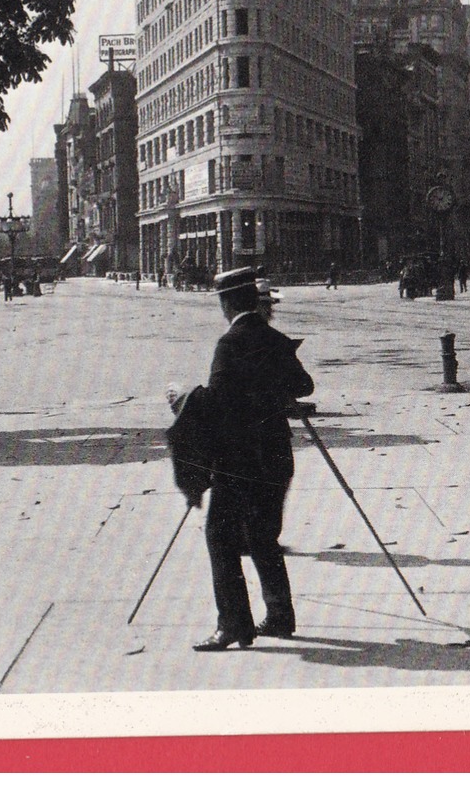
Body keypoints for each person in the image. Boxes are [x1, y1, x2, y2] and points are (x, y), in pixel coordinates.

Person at [188, 266, 314, 651]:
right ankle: (279, 614)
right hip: (275, 453)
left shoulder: (229, 344)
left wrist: (184, 398)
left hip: (238, 459)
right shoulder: (275, 340)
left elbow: (219, 401)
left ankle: (233, 625)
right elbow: (303, 386)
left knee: (220, 538)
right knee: (263, 537)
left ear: (227, 303)